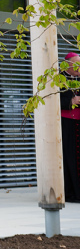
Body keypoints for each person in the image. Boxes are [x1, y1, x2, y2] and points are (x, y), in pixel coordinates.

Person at [60, 52, 80, 202]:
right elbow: (51, 100)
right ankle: (70, 193)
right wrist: (72, 101)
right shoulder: (57, 79)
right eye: (76, 64)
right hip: (65, 124)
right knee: (68, 159)